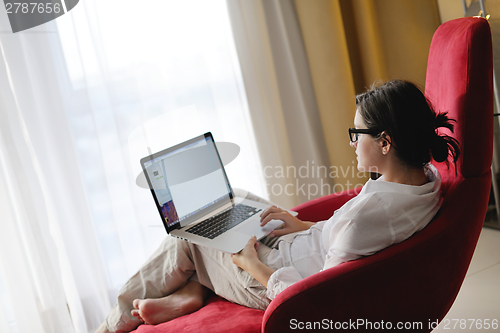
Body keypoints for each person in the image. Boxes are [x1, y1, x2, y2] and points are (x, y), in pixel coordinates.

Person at [95, 79, 460, 333]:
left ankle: (112, 323)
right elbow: (346, 236)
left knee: (189, 233)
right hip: (299, 249)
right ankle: (192, 290)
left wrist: (253, 264)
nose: (351, 143)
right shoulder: (422, 178)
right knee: (233, 200)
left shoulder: (370, 215)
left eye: (356, 134)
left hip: (273, 278)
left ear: (385, 142)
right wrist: (301, 226)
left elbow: (318, 298)